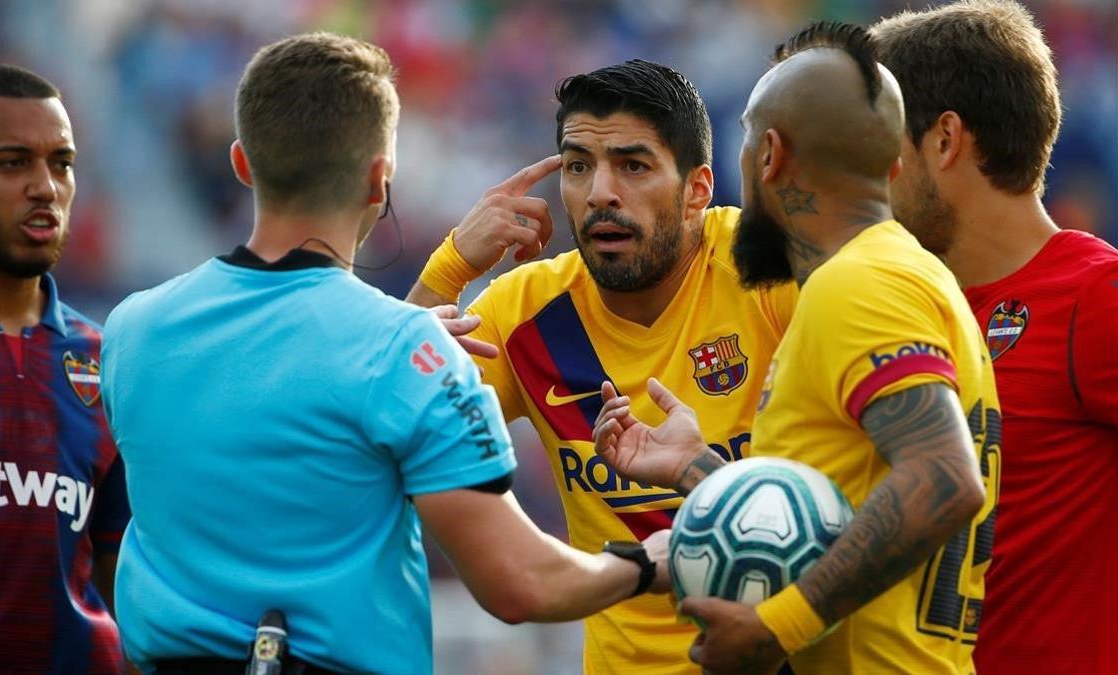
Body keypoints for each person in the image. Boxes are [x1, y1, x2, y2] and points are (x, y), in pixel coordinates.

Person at [99, 32, 670, 675]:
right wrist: (653, 563)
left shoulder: (129, 331)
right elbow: (519, 582)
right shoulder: (402, 349)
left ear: (241, 163)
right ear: (380, 179)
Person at [594, 22, 1000, 674]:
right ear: (891, 166)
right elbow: (840, 508)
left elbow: (944, 476)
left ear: (769, 155)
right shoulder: (912, 276)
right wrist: (696, 467)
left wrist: (774, 626)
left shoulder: (859, 285)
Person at [407, 59, 797, 674]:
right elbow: (384, 425)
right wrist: (447, 270)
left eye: (633, 166)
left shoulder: (772, 268)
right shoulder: (524, 313)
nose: (599, 193)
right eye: (579, 166)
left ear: (698, 189)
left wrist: (697, 472)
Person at [870, 3, 1118, 672]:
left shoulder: (1095, 297)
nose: (863, 181)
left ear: (944, 140)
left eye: (876, 149)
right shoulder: (902, 309)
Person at [0, 65, 129, 674]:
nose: (45, 187)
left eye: (60, 163)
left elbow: (120, 580)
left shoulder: (103, 359)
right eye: (12, 163)